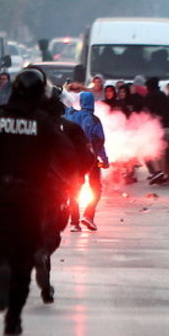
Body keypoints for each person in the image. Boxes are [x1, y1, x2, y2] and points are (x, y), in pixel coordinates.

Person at [0, 69, 71, 336]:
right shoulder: (45, 124)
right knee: (25, 256)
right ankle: (13, 318)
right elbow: (65, 156)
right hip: (33, 196)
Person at [37, 86, 94, 303]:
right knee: (51, 231)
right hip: (56, 188)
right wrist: (76, 179)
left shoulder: (29, 126)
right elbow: (86, 158)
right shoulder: (70, 128)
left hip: (27, 186)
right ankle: (43, 261)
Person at [65, 91, 109, 232]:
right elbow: (100, 141)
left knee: (74, 189)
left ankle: (74, 223)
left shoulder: (72, 116)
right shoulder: (95, 120)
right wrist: (105, 159)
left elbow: (63, 109)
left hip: (75, 160)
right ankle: (89, 215)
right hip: (92, 160)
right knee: (96, 188)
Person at [143, 77, 169, 184]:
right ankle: (162, 172)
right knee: (160, 149)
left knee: (151, 149)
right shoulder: (162, 94)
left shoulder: (150, 95)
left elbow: (148, 111)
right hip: (163, 123)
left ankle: (157, 171)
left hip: (153, 124)